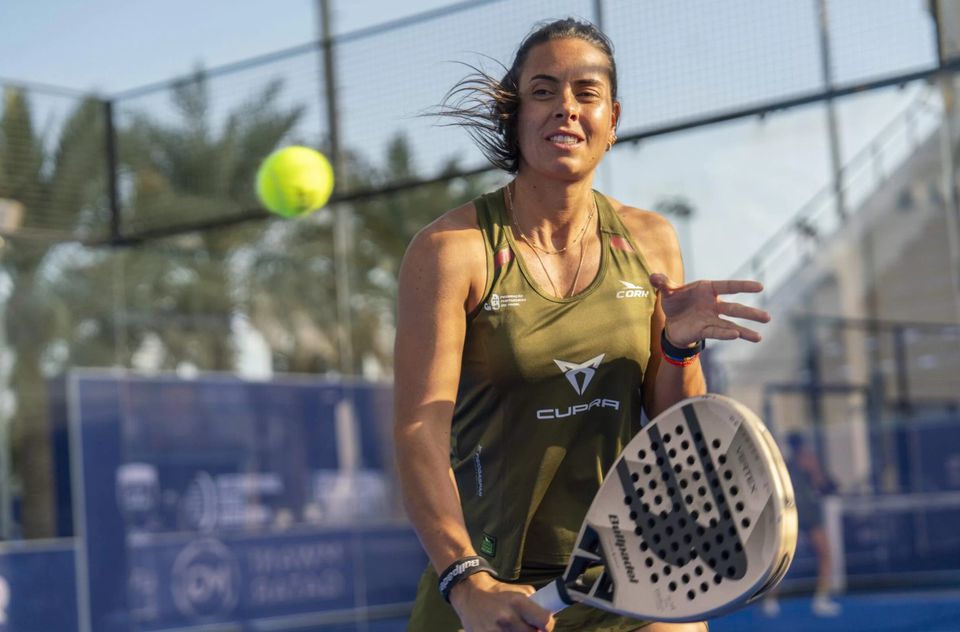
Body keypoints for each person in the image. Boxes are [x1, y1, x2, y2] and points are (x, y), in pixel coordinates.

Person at [393, 18, 770, 632]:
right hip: (488, 584)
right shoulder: (450, 250)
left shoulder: (651, 240)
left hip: (633, 576)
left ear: (612, 121)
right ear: (515, 117)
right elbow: (419, 430)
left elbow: (674, 423)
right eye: (543, 91)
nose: (565, 108)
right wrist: (467, 582)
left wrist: (679, 346)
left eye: (585, 93)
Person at [762, 432, 841, 618]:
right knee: (823, 554)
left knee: (782, 558)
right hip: (804, 513)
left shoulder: (783, 463)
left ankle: (771, 601)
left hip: (792, 513)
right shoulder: (805, 461)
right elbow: (821, 483)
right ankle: (820, 600)